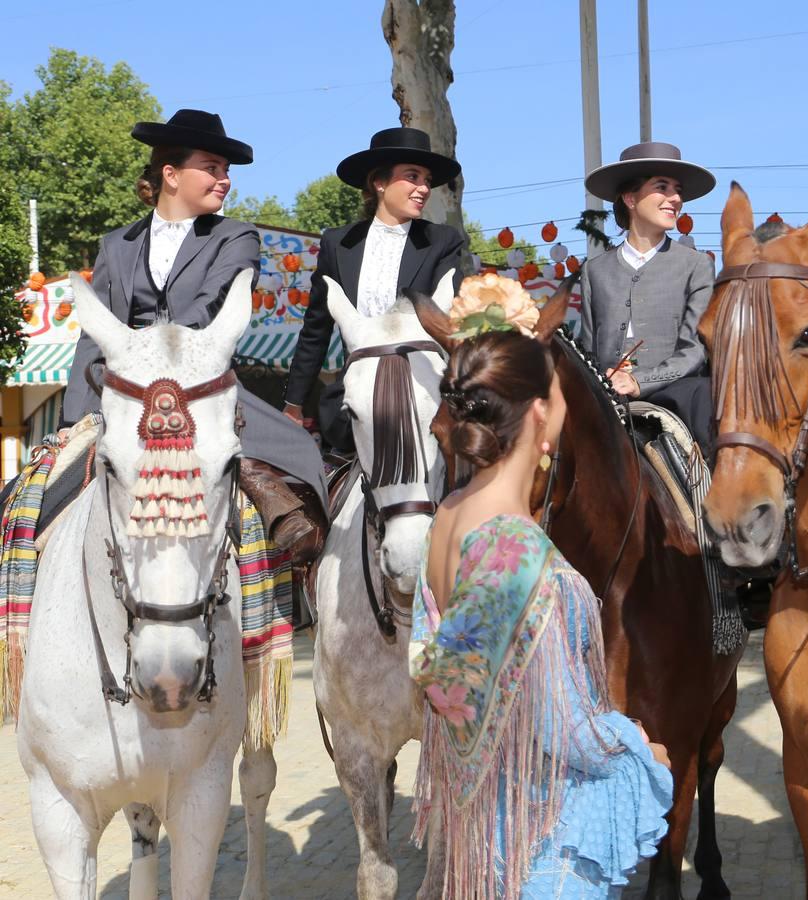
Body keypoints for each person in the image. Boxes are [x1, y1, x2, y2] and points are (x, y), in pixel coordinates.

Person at [408, 275, 673, 898]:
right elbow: (566, 727)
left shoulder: (446, 518)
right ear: (539, 412)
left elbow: (443, 673)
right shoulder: (515, 547)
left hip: (486, 829)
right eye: (558, 391)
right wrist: (641, 751)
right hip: (541, 840)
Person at [62, 109, 326, 564]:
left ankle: (291, 575)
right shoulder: (115, 245)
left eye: (225, 171)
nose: (224, 180)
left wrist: (154, 357)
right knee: (40, 493)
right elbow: (93, 337)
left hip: (205, 386)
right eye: (212, 168)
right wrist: (72, 423)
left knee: (302, 453)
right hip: (122, 391)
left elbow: (209, 307)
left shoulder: (236, 237)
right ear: (171, 174)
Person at [283, 127, 466, 453]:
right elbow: (316, 330)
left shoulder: (443, 242)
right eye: (412, 176)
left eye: (426, 179)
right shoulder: (338, 243)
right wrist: (293, 404)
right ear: (379, 183)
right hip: (354, 398)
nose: (423, 188)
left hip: (423, 394)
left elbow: (450, 322)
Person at [579, 141, 717, 454]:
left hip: (675, 394)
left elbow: (694, 351)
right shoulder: (593, 271)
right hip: (605, 396)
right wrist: (603, 380)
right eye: (662, 187)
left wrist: (640, 381)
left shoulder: (696, 265)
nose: (676, 199)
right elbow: (588, 348)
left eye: (677, 190)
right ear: (630, 198)